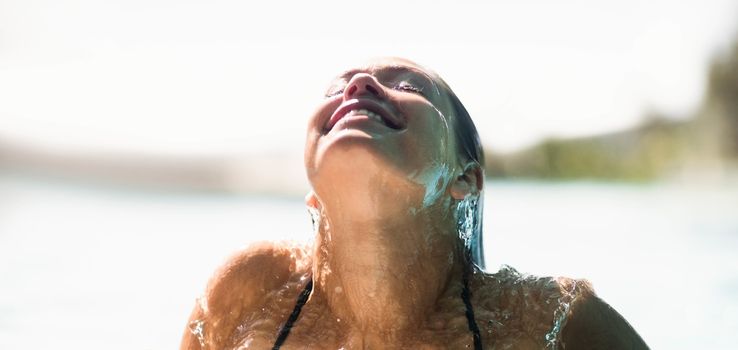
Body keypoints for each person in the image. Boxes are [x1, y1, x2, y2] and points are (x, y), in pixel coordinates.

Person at [180, 57, 649, 350]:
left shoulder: (549, 322)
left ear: (464, 178)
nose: (358, 84)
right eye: (335, 91)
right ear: (314, 195)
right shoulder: (252, 290)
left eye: (410, 86)